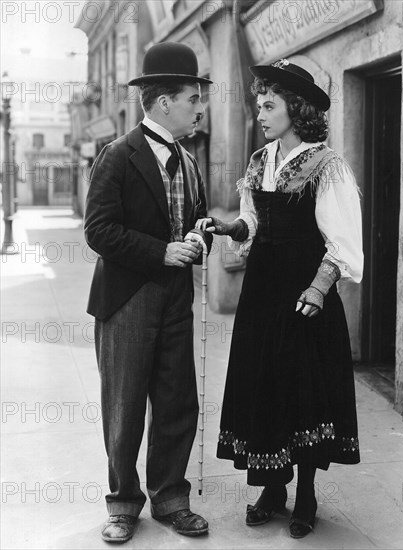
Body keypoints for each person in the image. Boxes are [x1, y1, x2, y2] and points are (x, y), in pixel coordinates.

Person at [196, 58, 363, 539]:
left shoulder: (327, 165)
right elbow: (254, 221)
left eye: (269, 105)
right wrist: (232, 227)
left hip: (303, 293)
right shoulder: (258, 161)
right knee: (263, 382)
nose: (261, 114)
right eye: (258, 105)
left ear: (296, 108)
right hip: (262, 291)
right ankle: (271, 488)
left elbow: (344, 244)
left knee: (302, 387)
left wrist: (318, 287)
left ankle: (306, 494)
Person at [84, 42, 213, 544]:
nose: (199, 107)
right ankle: (122, 505)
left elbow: (194, 219)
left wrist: (198, 238)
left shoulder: (189, 159)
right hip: (127, 299)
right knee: (125, 406)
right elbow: (98, 231)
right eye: (192, 99)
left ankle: (171, 500)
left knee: (178, 402)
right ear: (164, 102)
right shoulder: (117, 156)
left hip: (175, 299)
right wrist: (161, 252)